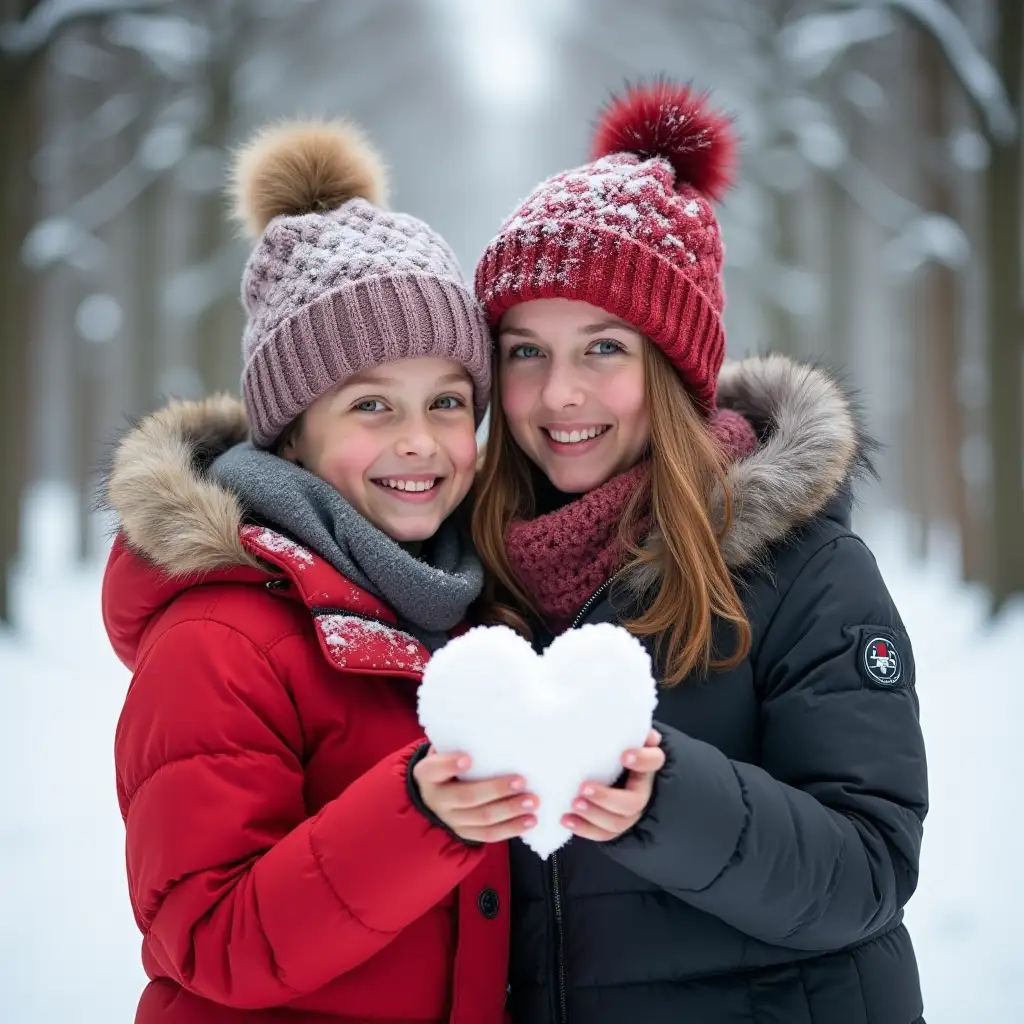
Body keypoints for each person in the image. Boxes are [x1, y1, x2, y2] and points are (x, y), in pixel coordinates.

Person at [469, 80, 929, 1024]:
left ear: (673, 368)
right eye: (525, 351)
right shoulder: (470, 579)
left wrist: (664, 797)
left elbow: (871, 866)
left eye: (603, 348)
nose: (560, 394)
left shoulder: (806, 572)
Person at [102, 117, 528, 1023]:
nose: (419, 442)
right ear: (293, 430)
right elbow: (205, 937)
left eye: (447, 402)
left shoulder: (471, 604)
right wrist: (417, 818)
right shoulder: (220, 638)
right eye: (370, 405)